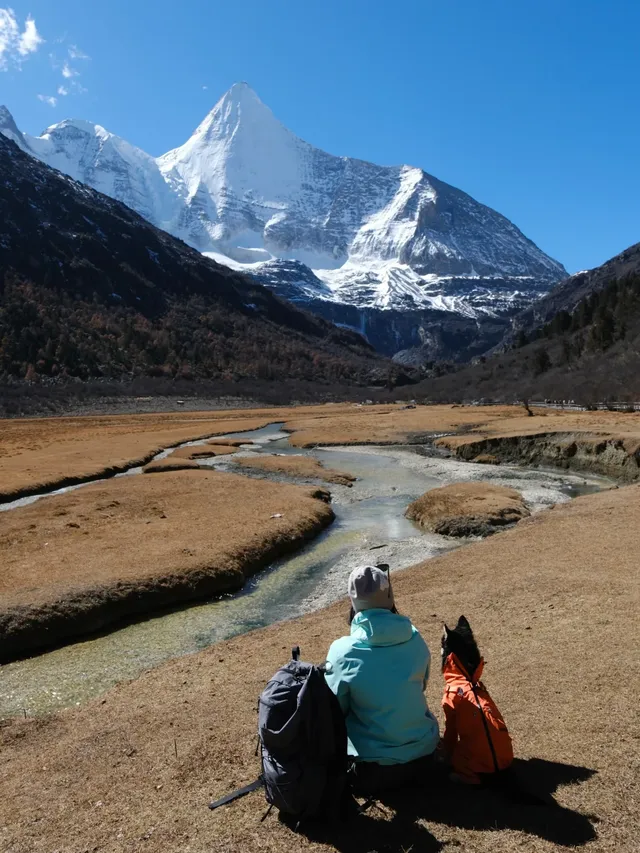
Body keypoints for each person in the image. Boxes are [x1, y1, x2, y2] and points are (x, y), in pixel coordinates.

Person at [325, 565, 439, 795]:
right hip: (427, 755)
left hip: (374, 769)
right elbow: (422, 684)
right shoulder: (414, 637)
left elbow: (335, 710)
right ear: (389, 596)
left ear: (353, 601)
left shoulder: (341, 651)